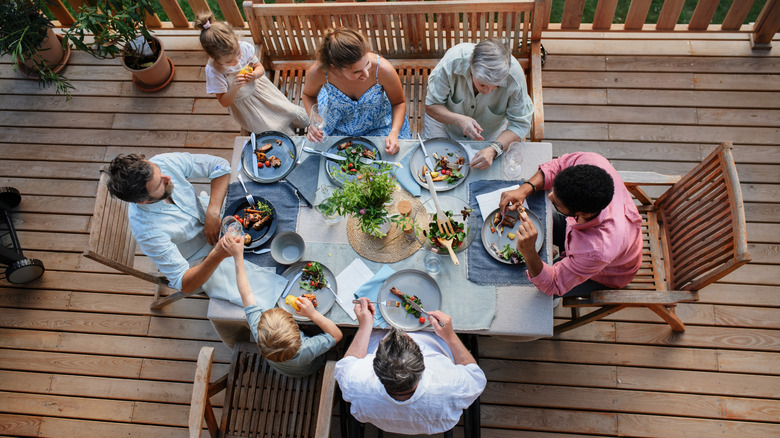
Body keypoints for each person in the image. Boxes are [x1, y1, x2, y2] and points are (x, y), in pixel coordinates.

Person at [106, 153, 287, 304]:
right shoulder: (148, 232)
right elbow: (184, 284)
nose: (167, 178)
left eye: (160, 172)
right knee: (266, 292)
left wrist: (212, 212)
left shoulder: (161, 163)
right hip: (201, 257)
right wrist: (218, 254)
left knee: (275, 207)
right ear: (143, 201)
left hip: (214, 215)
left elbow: (219, 166)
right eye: (160, 184)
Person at [498, 152, 643, 297]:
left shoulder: (596, 251)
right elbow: (559, 165)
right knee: (541, 218)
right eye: (554, 190)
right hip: (595, 236)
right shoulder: (593, 161)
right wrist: (525, 189)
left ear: (583, 214)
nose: (549, 196)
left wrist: (529, 250)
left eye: (556, 203)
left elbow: (552, 284)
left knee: (535, 292)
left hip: (606, 273)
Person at [335, 298, 486, 435]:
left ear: (375, 366)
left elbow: (348, 362)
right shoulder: (452, 385)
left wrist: (364, 326)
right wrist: (450, 335)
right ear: (423, 364)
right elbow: (475, 374)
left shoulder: (355, 382)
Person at [223, 235, 343, 377]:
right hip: (307, 369)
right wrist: (313, 314)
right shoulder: (306, 349)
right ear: (297, 333)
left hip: (280, 368)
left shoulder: (258, 330)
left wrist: (238, 257)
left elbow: (246, 293)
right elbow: (337, 335)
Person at [424, 39, 534, 169]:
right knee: (434, 166)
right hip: (443, 125)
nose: (487, 92)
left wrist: (494, 149)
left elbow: (520, 124)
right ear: (471, 64)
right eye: (482, 84)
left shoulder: (515, 78)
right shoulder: (452, 62)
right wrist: (459, 120)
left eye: (496, 87)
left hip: (489, 134)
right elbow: (431, 106)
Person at [302, 27, 411, 155]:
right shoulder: (319, 72)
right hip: (337, 127)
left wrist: (394, 132)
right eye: (357, 71)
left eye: (367, 64)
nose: (366, 74)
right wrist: (315, 120)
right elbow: (308, 95)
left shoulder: (383, 69)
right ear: (335, 68)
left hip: (380, 126)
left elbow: (398, 103)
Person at [194, 14, 308, 136]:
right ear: (213, 58)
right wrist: (234, 88)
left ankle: (306, 124)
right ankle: (290, 139)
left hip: (262, 90)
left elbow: (260, 68)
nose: (237, 62)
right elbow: (224, 102)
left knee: (290, 111)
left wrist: (254, 75)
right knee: (272, 127)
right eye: (228, 62)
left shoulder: (243, 48)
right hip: (247, 107)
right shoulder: (214, 71)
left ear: (237, 41)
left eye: (238, 54)